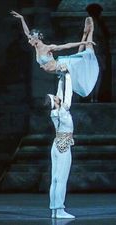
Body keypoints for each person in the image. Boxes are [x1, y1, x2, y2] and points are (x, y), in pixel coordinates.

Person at [10, 10, 99, 98]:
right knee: (79, 55)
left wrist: (81, 43)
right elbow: (27, 32)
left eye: (30, 39)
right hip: (60, 71)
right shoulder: (36, 47)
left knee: (86, 54)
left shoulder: (48, 48)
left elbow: (66, 46)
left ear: (36, 38)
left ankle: (89, 33)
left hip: (62, 66)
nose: (29, 41)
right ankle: (85, 35)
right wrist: (22, 18)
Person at [44, 71, 75, 219]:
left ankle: (54, 211)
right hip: (63, 147)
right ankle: (60, 210)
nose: (58, 97)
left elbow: (60, 93)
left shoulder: (55, 112)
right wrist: (68, 76)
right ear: (55, 103)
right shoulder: (63, 111)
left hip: (56, 145)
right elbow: (67, 95)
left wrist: (61, 79)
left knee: (55, 179)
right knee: (61, 178)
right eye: (56, 98)